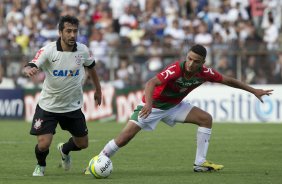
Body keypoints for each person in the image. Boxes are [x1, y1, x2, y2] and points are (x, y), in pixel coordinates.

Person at [86, 44, 273, 173]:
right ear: (186, 57)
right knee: (124, 138)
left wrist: (253, 90)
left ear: (203, 62)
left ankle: (200, 163)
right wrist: (149, 104)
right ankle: (97, 162)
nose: (191, 64)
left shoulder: (205, 73)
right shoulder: (176, 68)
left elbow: (228, 80)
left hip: (175, 106)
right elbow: (151, 82)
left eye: (196, 61)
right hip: (155, 105)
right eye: (189, 59)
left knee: (206, 119)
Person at [23, 15, 102, 176]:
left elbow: (92, 68)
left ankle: (65, 149)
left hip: (72, 106)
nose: (72, 35)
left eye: (75, 31)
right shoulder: (48, 50)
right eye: (68, 31)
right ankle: (41, 165)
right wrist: (28, 69)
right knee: (43, 144)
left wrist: (98, 90)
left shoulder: (83, 50)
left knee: (83, 144)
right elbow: (32, 63)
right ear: (60, 32)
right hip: (48, 106)